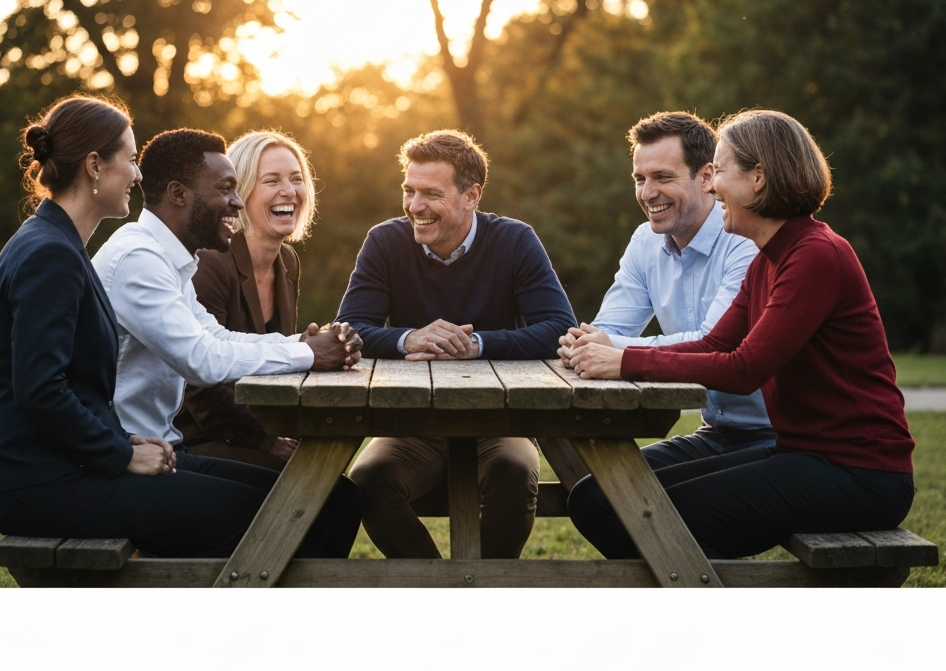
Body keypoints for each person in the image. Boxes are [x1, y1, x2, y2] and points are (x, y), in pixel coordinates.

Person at [0, 95, 340, 558]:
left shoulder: (63, 246)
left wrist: (299, 344)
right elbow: (41, 392)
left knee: (321, 502)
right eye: (129, 159)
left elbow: (82, 386)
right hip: (39, 481)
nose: (138, 174)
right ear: (93, 166)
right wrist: (123, 453)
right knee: (277, 512)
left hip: (71, 466)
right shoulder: (53, 254)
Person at [564, 109, 916, 559]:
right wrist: (612, 352)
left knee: (646, 513)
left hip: (859, 473)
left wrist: (624, 360)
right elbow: (714, 345)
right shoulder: (768, 257)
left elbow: (745, 367)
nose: (711, 186)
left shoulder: (816, 255)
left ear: (759, 179)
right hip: (801, 454)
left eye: (721, 172)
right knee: (600, 499)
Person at [92, 127, 362, 557]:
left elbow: (216, 337)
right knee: (301, 509)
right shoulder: (138, 259)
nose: (235, 203)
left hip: (161, 451)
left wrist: (307, 343)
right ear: (179, 194)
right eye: (226, 189)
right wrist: (307, 352)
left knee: (338, 501)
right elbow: (202, 361)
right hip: (128, 458)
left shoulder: (173, 261)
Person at [337, 129, 578, 559]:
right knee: (366, 483)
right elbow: (350, 328)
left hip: (499, 420)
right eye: (408, 191)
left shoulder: (515, 240)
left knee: (513, 472)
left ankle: (484, 591)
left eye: (430, 193)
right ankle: (440, 594)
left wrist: (478, 345)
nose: (414, 206)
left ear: (471, 196)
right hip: (413, 422)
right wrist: (408, 337)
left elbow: (558, 327)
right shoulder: (385, 241)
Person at [557, 111, 774, 470]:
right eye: (639, 178)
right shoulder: (645, 240)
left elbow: (713, 342)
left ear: (706, 176)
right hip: (715, 431)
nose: (647, 193)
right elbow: (610, 329)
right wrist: (583, 343)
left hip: (776, 436)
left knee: (630, 502)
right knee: (598, 493)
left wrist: (611, 349)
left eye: (662, 177)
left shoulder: (743, 239)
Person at [174, 130, 317, 470]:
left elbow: (275, 363)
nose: (289, 190)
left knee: (329, 481)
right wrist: (267, 442)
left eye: (296, 179)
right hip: (195, 437)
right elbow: (199, 385)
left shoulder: (288, 261)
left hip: (257, 429)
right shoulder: (209, 261)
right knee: (319, 487)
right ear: (238, 194)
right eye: (271, 181)